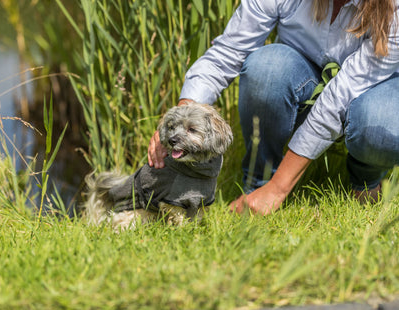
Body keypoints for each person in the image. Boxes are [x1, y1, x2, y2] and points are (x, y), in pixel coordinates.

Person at [148, 0, 399, 215]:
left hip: (370, 88)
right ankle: (258, 183)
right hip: (302, 70)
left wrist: (280, 188)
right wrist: (180, 119)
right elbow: (227, 52)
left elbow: (340, 96)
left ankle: (365, 178)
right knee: (265, 69)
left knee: (379, 122)